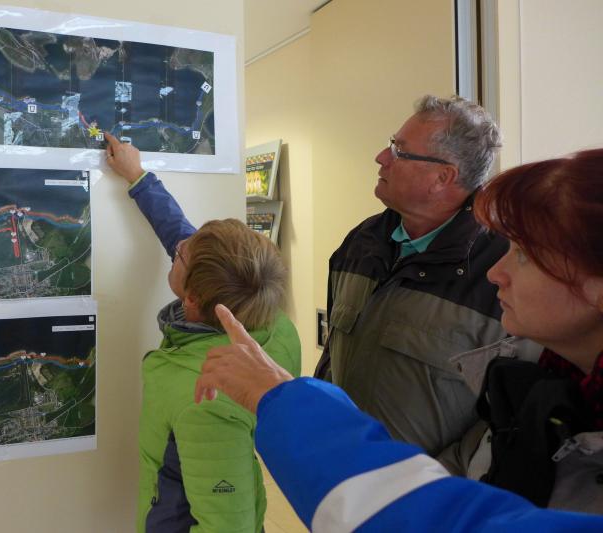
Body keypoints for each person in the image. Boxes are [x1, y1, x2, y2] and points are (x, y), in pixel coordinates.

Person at [195, 149, 603, 530]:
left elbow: (442, 519)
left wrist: (282, 399)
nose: (497, 273)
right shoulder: (536, 386)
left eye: (525, 254)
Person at [104, 132, 302, 533]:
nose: (178, 245)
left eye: (181, 254)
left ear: (192, 296)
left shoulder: (206, 398)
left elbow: (229, 525)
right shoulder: (267, 320)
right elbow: (180, 235)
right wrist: (138, 177)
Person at [314, 95, 509, 455]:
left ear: (443, 177)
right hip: (341, 470)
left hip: (430, 487)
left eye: (398, 151)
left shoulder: (504, 271)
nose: (381, 157)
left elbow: (507, 416)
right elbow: (333, 357)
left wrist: (440, 477)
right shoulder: (360, 243)